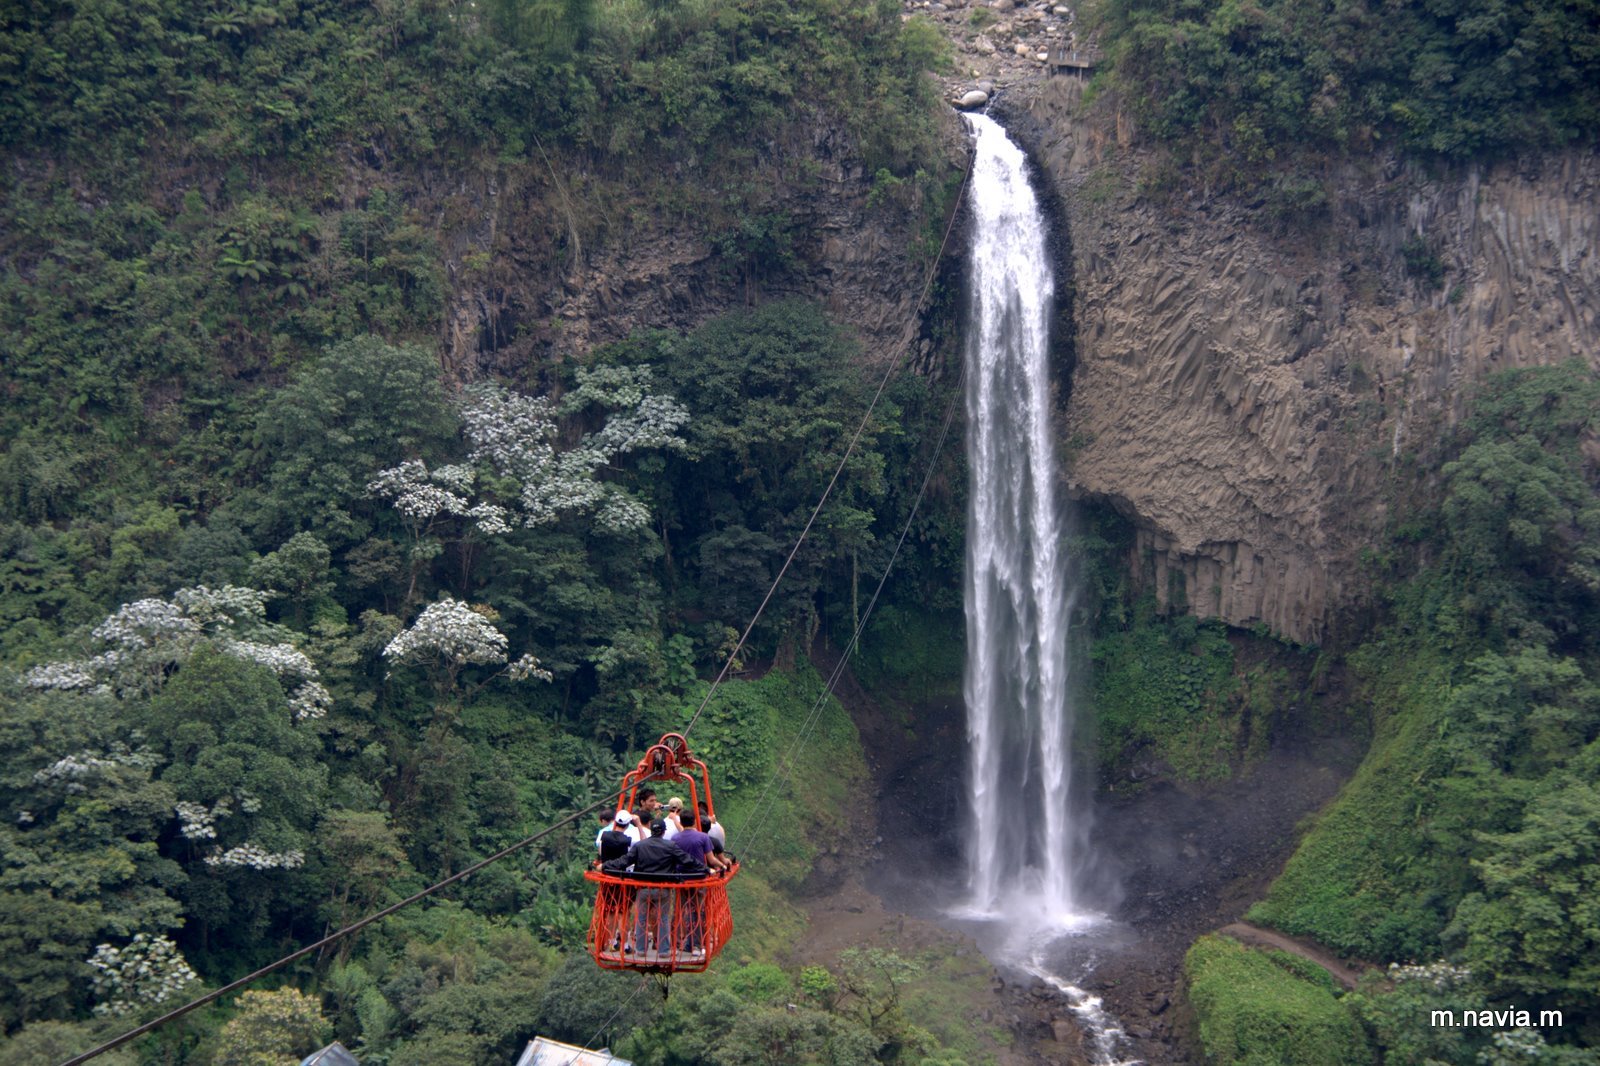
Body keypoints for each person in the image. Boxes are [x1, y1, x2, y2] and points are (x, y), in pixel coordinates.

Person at [622, 819, 704, 960]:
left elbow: (624, 861)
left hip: (644, 889)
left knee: (641, 918)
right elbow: (687, 860)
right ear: (664, 832)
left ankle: (640, 950)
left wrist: (606, 866)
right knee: (663, 918)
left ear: (652, 831)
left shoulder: (641, 845)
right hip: (663, 890)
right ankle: (663, 951)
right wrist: (705, 869)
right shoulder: (670, 846)